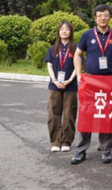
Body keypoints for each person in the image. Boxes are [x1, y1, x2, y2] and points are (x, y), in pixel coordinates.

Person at [71, 4, 112, 165]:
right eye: (100, 15)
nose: (103, 18)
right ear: (95, 18)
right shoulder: (87, 35)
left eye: (106, 15)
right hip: (90, 82)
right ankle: (80, 151)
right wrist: (79, 75)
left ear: (110, 17)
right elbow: (77, 55)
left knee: (106, 116)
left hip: (108, 81)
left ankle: (106, 150)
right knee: (86, 115)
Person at [45, 20, 78, 153]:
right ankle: (55, 141)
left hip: (70, 86)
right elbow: (49, 65)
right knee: (53, 114)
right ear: (58, 32)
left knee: (69, 114)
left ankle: (66, 141)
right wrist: (54, 80)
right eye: (62, 29)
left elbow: (77, 67)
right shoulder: (53, 48)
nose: (64, 31)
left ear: (71, 32)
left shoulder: (75, 48)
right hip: (54, 86)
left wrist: (69, 80)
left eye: (67, 29)